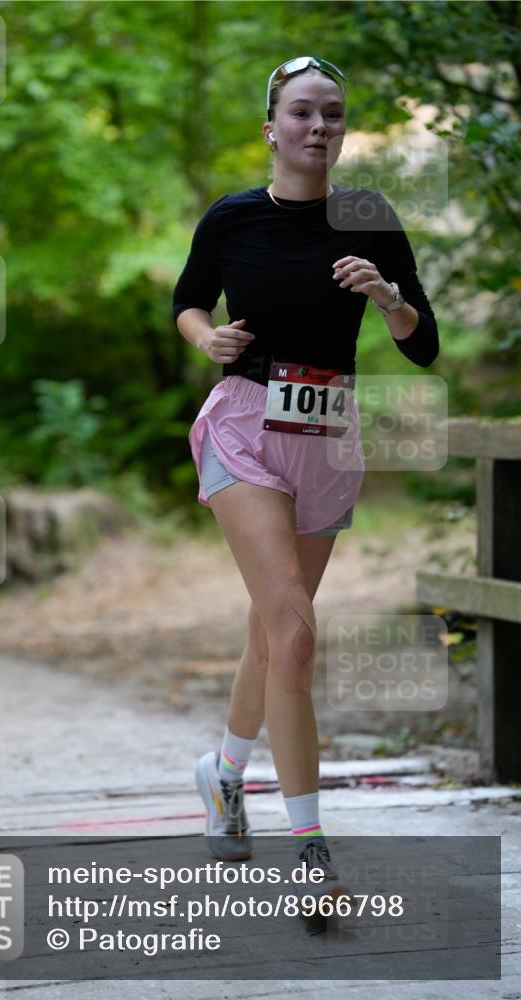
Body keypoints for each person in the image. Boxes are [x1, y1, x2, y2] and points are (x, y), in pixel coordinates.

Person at [172, 56, 439, 903]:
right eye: (300, 113)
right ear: (271, 127)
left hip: (327, 434)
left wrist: (388, 295)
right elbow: (187, 300)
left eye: (331, 114)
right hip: (245, 423)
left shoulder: (369, 217)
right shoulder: (232, 217)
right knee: (292, 630)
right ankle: (311, 849)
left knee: (272, 628)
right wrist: (201, 338)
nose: (316, 127)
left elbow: (419, 339)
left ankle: (222, 772)